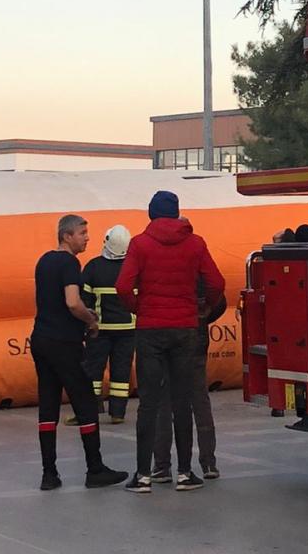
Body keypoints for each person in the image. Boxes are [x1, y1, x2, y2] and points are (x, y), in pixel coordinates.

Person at [117, 191, 225, 494]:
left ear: (151, 214)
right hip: (185, 330)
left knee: (150, 403)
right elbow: (216, 282)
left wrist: (139, 308)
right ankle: (186, 472)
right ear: (177, 213)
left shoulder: (139, 244)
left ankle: (143, 475)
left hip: (151, 330)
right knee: (183, 401)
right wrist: (202, 308)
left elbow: (123, 285)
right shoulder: (195, 243)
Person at [31, 214, 128, 491]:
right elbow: (73, 302)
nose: (87, 238)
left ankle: (49, 474)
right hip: (64, 342)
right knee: (85, 402)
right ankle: (95, 469)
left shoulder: (44, 261)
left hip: (41, 339)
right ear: (67, 236)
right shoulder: (70, 263)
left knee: (48, 405)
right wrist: (91, 320)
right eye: (82, 233)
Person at [152, 276, 225, 483]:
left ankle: (162, 466)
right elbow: (218, 289)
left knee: (163, 403)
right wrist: (204, 314)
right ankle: (209, 463)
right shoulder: (196, 257)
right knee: (200, 401)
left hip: (163, 338)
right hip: (195, 337)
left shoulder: (154, 256)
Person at [74, 224, 135, 425]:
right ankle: (117, 413)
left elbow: (84, 299)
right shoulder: (133, 268)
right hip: (128, 331)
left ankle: (91, 409)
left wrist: (87, 324)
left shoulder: (93, 267)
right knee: (121, 372)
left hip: (99, 330)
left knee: (93, 371)